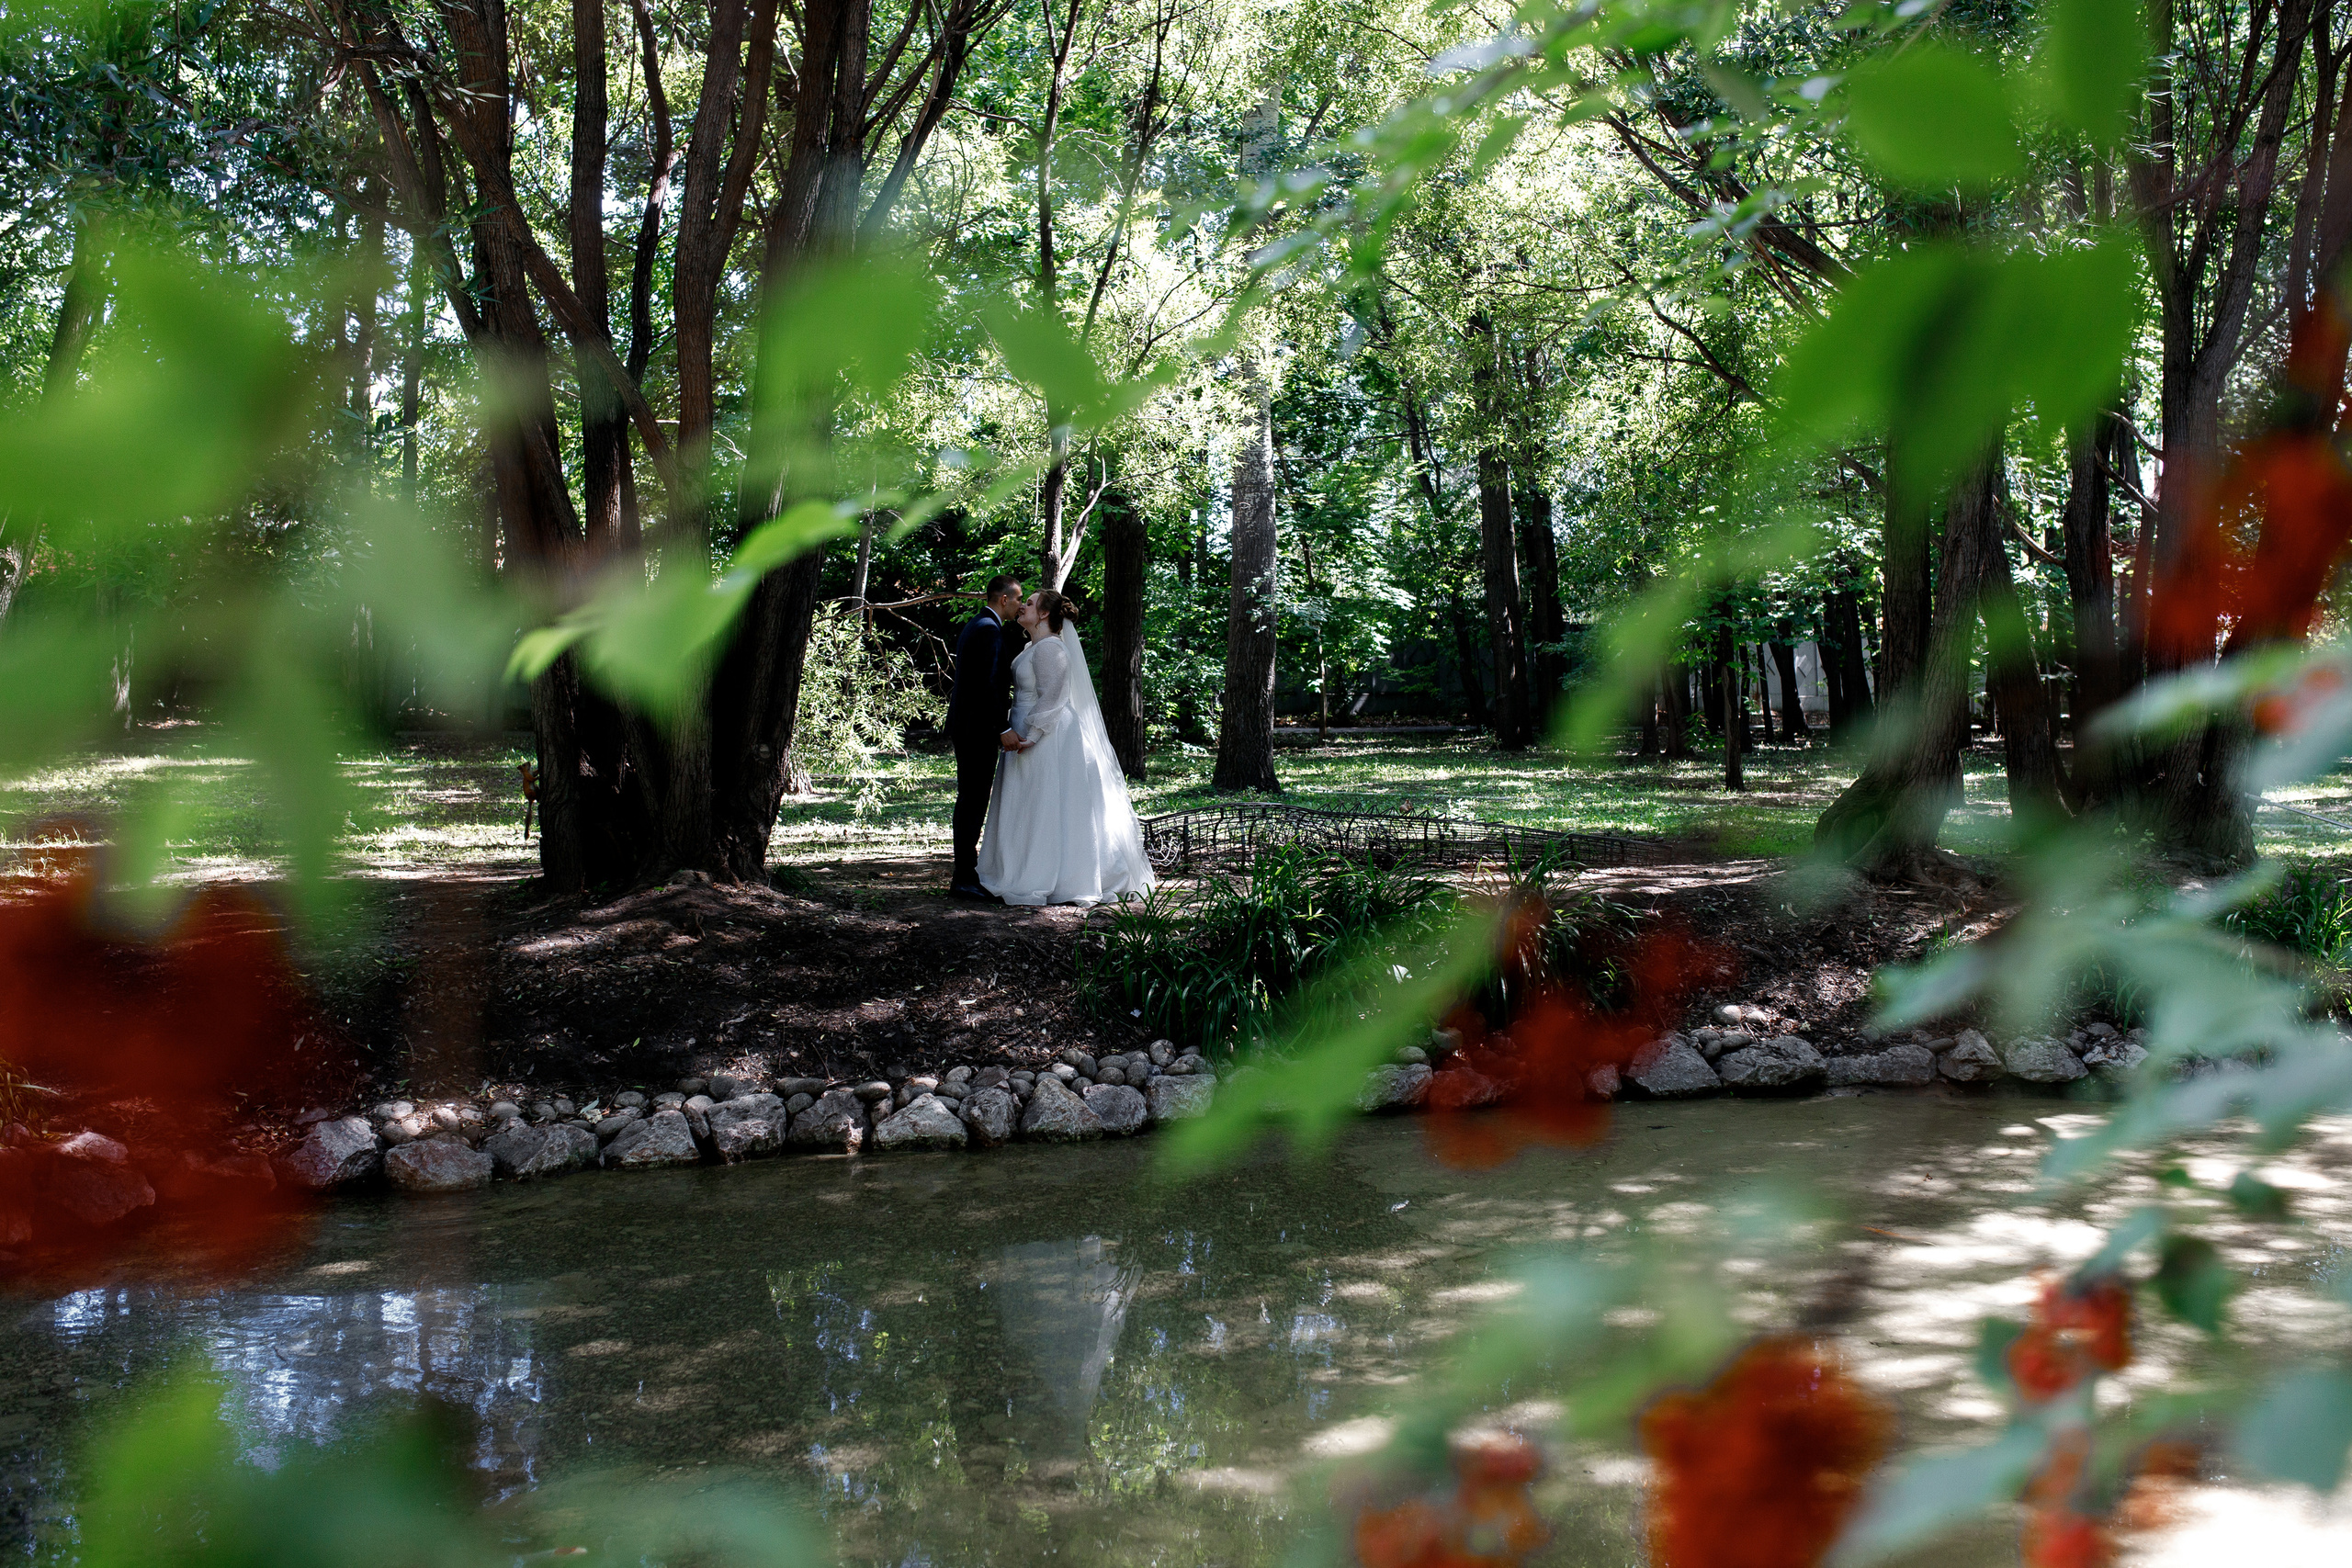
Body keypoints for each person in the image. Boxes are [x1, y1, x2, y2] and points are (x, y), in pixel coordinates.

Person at [977, 591, 1157, 907]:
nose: (1022, 607)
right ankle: (1018, 867)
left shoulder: (1050, 649)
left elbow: (1053, 696)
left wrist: (1033, 734)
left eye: (1029, 604)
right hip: (1024, 729)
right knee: (1028, 803)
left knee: (1046, 802)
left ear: (1045, 614)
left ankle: (1053, 874)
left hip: (1047, 735)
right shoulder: (1031, 647)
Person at [944, 574, 1025, 900]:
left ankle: (966, 872)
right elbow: (987, 686)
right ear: (1003, 599)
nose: (1020, 605)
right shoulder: (989, 631)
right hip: (976, 729)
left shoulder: (979, 624)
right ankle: (964, 876)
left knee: (971, 798)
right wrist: (1002, 728)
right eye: (1018, 599)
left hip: (968, 726)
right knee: (973, 800)